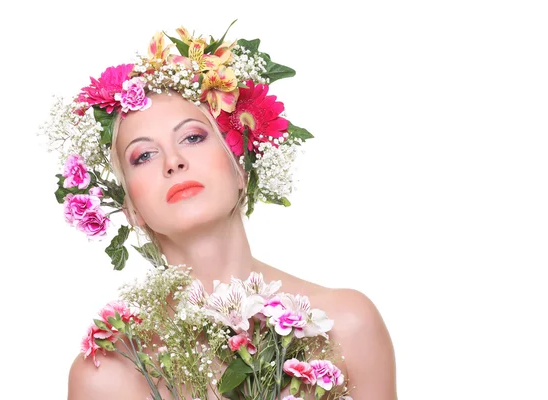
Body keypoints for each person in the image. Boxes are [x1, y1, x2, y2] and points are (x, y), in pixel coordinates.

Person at [48, 23, 396, 399]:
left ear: (241, 168)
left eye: (193, 137)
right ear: (131, 208)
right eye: (144, 155)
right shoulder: (108, 373)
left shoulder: (348, 324)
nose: (173, 161)